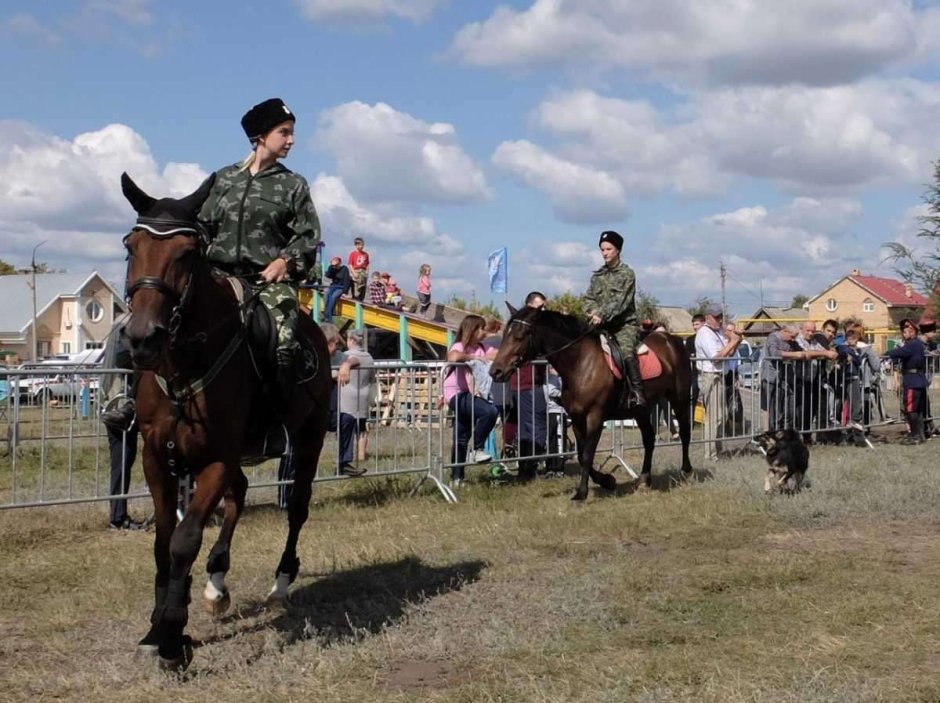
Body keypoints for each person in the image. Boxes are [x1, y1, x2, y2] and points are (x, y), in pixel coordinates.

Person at [198, 97, 321, 405]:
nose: (291, 140)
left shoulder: (293, 185)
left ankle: (278, 416)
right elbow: (200, 225)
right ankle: (129, 403)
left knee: (284, 338)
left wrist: (285, 261)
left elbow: (308, 236)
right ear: (261, 136)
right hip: (217, 277)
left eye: (292, 132)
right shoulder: (222, 180)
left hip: (266, 285)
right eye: (284, 132)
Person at [583, 230, 645, 408]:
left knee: (626, 351)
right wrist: (592, 311)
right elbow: (588, 298)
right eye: (602, 249)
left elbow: (621, 302)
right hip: (600, 325)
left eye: (608, 249)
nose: (604, 253)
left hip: (624, 326)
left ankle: (637, 393)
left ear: (617, 250)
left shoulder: (627, 274)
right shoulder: (598, 276)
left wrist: (601, 314)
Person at [443, 314, 499, 484]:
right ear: (472, 330)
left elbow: (497, 355)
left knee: (461, 436)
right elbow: (453, 357)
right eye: (481, 328)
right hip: (455, 393)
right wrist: (474, 358)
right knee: (490, 411)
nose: (484, 332)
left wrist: (481, 357)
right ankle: (477, 448)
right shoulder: (460, 345)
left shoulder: (483, 346)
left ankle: (457, 477)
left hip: (472, 393)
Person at [694, 304, 742, 461]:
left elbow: (729, 353)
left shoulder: (720, 331)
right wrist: (732, 342)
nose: (720, 320)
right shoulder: (705, 333)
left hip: (721, 376)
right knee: (713, 418)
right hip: (711, 377)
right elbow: (716, 357)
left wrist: (736, 341)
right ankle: (710, 454)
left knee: (721, 416)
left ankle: (717, 450)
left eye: (721, 316)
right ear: (707, 318)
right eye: (716, 317)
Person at [514, 291, 549, 480]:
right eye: (540, 306)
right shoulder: (526, 328)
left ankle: (527, 468)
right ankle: (528, 468)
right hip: (527, 382)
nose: (543, 310)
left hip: (532, 382)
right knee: (534, 426)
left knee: (530, 427)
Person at [887, 318, 930, 443]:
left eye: (906, 331)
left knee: (911, 409)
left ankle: (915, 435)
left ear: (913, 332)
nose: (904, 334)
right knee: (918, 410)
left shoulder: (912, 344)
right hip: (918, 380)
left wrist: (888, 352)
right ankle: (921, 435)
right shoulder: (916, 344)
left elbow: (898, 352)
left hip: (913, 380)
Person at [339, 329, 376, 463]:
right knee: (362, 427)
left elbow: (339, 372)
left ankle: (345, 457)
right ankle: (361, 455)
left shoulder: (345, 356)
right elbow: (372, 378)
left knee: (347, 427)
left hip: (347, 396)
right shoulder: (369, 357)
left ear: (351, 341)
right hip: (364, 394)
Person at [323, 256, 352, 322]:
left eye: (337, 264)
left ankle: (328, 316)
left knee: (333, 297)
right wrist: (332, 266)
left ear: (340, 263)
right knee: (326, 295)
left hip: (341, 287)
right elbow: (328, 275)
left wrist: (345, 292)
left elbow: (346, 280)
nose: (336, 265)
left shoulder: (344, 269)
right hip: (333, 286)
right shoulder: (332, 268)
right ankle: (327, 314)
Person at [347, 237, 370, 302]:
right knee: (356, 287)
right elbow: (350, 264)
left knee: (363, 287)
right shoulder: (353, 253)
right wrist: (353, 273)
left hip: (363, 271)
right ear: (356, 245)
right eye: (360, 245)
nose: (361, 246)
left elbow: (367, 263)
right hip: (356, 271)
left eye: (362, 245)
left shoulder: (366, 254)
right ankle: (355, 299)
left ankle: (361, 300)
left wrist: (367, 272)